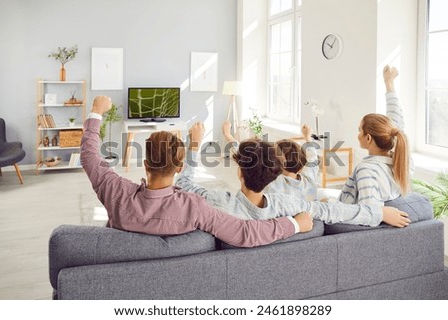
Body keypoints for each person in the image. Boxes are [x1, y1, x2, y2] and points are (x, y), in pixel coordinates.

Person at [80, 96, 313, 248]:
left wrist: (96, 111)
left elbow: (89, 156)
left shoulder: (116, 192)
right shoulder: (195, 206)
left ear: (145, 162)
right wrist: (294, 225)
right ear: (179, 167)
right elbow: (245, 232)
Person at [176, 123, 410, 228]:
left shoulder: (218, 202)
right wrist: (377, 212)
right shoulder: (291, 206)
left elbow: (184, 183)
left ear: (239, 171)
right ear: (274, 171)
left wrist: (194, 144)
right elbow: (331, 210)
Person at [338, 65, 411, 206]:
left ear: (368, 138)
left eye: (359, 130)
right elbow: (396, 121)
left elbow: (369, 213)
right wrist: (389, 83)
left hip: (343, 215)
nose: (358, 135)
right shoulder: (403, 162)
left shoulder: (366, 170)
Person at [223, 121, 319, 201]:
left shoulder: (273, 183)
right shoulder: (309, 179)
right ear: (302, 166)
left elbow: (247, 155)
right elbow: (312, 158)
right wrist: (307, 137)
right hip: (312, 219)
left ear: (276, 164)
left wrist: (228, 135)